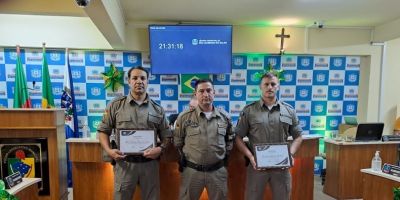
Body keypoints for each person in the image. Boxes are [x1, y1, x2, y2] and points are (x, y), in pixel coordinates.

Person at [97, 66, 171, 200]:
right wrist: (109, 151)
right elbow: (103, 131)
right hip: (125, 164)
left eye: (143, 78)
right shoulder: (115, 105)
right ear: (129, 82)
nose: (139, 81)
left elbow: (167, 136)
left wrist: (160, 149)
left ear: (147, 81)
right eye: (135, 78)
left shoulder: (158, 109)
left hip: (149, 165)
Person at [235, 72, 303, 200]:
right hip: (257, 167)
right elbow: (238, 137)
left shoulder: (288, 110)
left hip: (281, 168)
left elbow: (298, 136)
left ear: (278, 86)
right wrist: (250, 157)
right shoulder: (249, 110)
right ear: (260, 87)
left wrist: (290, 155)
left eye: (273, 84)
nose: (269, 87)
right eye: (266, 84)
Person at [174, 79, 234, 200]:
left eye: (209, 90)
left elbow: (229, 141)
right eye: (201, 91)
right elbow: (178, 142)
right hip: (192, 172)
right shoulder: (184, 117)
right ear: (196, 94)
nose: (206, 94)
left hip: (217, 171)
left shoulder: (225, 117)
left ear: (214, 93)